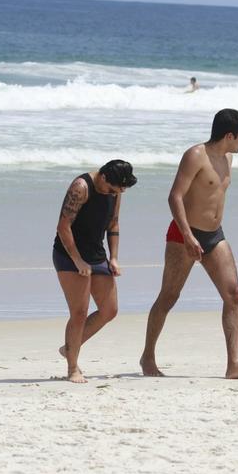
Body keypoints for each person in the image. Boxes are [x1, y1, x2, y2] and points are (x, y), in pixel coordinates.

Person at [140, 109, 238, 379]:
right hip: (184, 235)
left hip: (214, 235)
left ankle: (234, 363)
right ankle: (147, 357)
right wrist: (187, 235)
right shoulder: (196, 155)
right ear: (229, 135)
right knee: (169, 296)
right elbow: (175, 197)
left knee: (234, 294)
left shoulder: (228, 157)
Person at [53, 159, 138, 383]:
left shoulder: (116, 191)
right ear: (103, 177)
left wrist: (114, 258)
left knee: (109, 310)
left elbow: (114, 224)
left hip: (96, 254)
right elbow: (63, 227)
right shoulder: (81, 187)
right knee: (79, 313)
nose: (113, 193)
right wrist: (78, 261)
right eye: (111, 189)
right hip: (69, 255)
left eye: (117, 191)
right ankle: (73, 367)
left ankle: (70, 347)